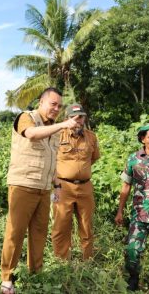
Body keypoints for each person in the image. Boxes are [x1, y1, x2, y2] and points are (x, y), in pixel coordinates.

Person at [0, 87, 79, 294]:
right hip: (23, 185)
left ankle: (36, 272)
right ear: (41, 102)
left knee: (39, 233)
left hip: (44, 189)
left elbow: (50, 160)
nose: (56, 108)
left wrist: (57, 186)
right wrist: (63, 124)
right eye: (53, 104)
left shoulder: (52, 127)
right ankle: (7, 277)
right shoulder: (27, 118)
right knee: (15, 233)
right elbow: (32, 135)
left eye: (59, 106)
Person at [51, 103, 100, 261]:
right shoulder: (58, 135)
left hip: (85, 187)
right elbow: (50, 159)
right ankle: (62, 260)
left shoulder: (91, 136)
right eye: (74, 117)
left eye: (81, 118)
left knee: (86, 225)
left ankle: (87, 260)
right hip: (63, 187)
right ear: (67, 119)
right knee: (61, 225)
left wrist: (80, 171)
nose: (78, 121)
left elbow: (93, 158)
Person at [115, 122, 149, 291]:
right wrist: (120, 211)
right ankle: (133, 278)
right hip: (139, 215)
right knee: (132, 250)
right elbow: (126, 187)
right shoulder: (133, 159)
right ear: (143, 139)